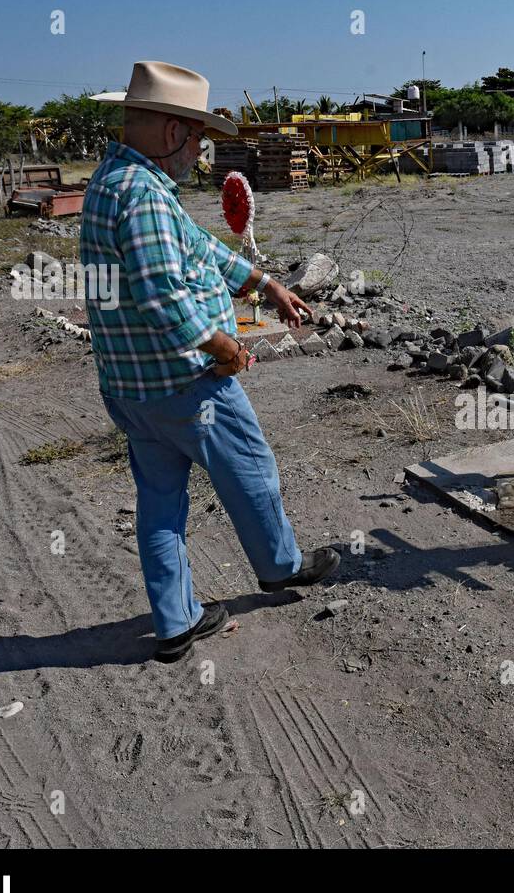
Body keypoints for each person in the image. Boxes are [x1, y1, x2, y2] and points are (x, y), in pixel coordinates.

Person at [82, 61, 338, 663]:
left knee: (161, 501)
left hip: (131, 387)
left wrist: (263, 283)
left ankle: (175, 624)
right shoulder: (142, 195)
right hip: (184, 384)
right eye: (198, 137)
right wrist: (224, 347)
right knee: (251, 470)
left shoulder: (114, 182)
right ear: (173, 132)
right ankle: (281, 568)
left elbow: (198, 252)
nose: (200, 151)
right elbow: (161, 295)